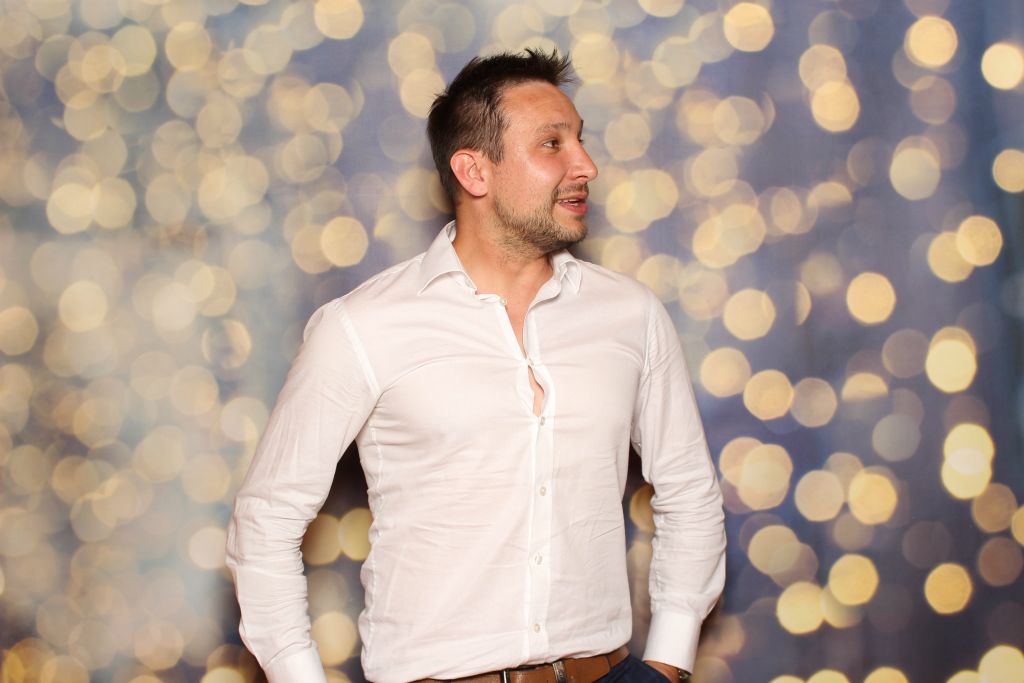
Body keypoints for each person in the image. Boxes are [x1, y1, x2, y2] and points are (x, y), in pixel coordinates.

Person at [226, 48, 726, 683]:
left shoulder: (631, 314)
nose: (586, 165)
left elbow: (689, 492)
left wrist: (669, 662)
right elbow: (265, 521)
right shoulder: (361, 326)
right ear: (474, 171)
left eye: (580, 139)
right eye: (552, 144)